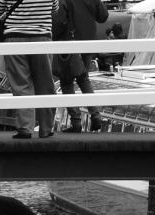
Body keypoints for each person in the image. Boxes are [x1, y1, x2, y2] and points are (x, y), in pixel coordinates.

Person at [0, 0, 59, 139]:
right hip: (42, 37)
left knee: (21, 83)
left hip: (15, 38)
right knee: (45, 83)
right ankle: (46, 128)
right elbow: (55, 9)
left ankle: (25, 128)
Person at [52, 0, 107, 133]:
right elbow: (103, 16)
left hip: (70, 42)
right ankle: (95, 115)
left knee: (66, 82)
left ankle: (76, 122)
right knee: (83, 78)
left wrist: (53, 38)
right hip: (89, 42)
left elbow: (59, 23)